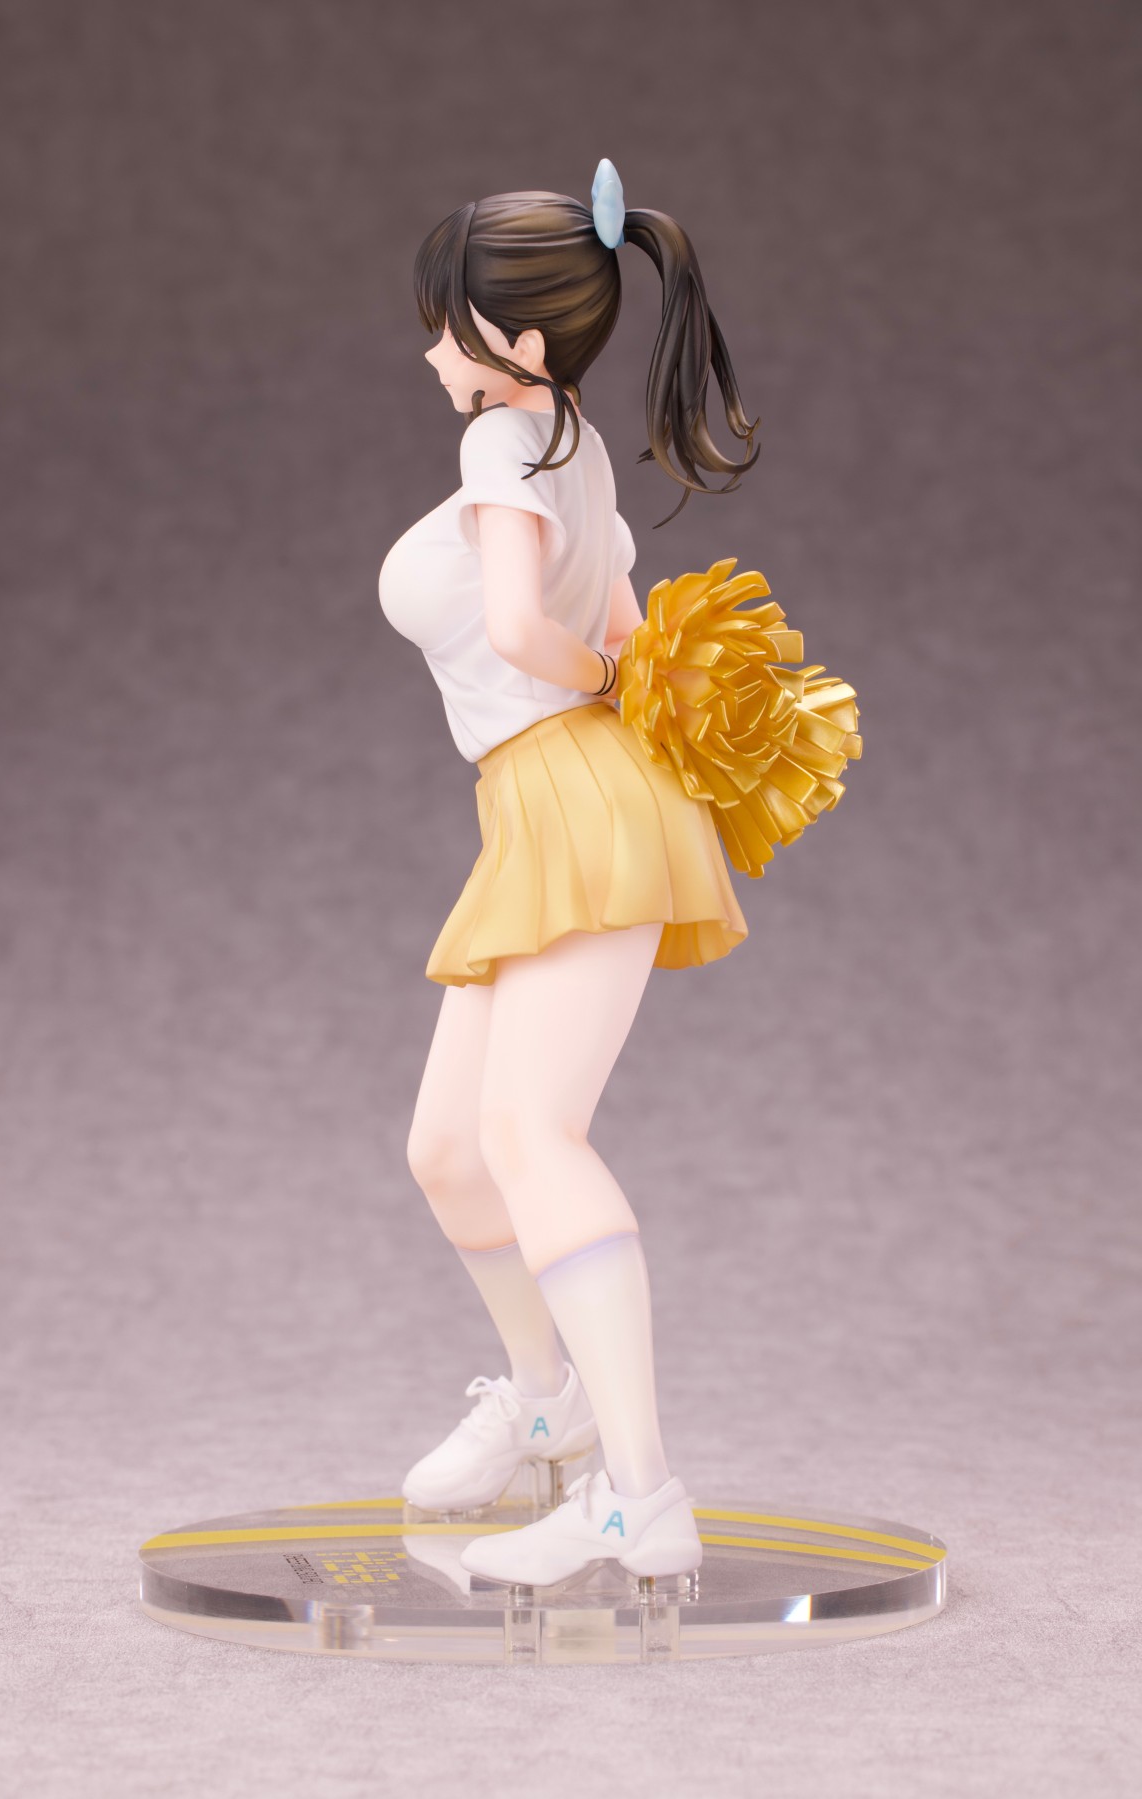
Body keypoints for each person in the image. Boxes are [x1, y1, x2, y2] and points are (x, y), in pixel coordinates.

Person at [377, 163, 859, 1587]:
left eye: (448, 325)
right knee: (450, 1149)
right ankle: (549, 1403)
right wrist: (633, 679)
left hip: (574, 790)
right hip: (546, 802)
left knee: (531, 1134)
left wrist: (600, 686)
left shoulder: (502, 443)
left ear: (519, 343)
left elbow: (531, 632)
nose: (431, 351)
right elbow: (629, 615)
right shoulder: (569, 442)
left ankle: (638, 1497)